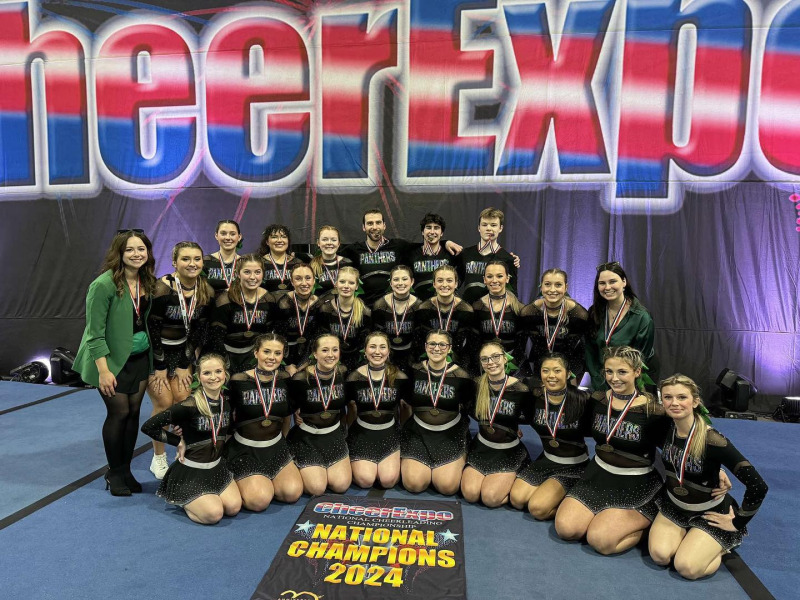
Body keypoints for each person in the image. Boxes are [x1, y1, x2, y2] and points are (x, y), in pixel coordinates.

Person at [649, 374, 768, 579]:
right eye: (668, 397)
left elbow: (758, 485)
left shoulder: (713, 440)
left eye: (682, 397)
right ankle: (694, 540)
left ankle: (724, 544)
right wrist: (717, 470)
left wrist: (737, 522)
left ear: (695, 401)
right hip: (674, 506)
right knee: (660, 556)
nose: (674, 403)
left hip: (709, 513)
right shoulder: (664, 428)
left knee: (686, 568)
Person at [554, 346, 668, 555]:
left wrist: (717, 471)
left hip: (635, 483)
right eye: (609, 371)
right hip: (598, 475)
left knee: (601, 541)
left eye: (622, 372)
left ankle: (647, 525)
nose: (614, 378)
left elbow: (680, 440)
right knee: (566, 529)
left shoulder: (653, 410)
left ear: (637, 372)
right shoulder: (598, 399)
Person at [73, 229, 157, 496]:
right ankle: (114, 472)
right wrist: (103, 371)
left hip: (140, 357)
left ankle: (126, 469)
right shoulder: (103, 285)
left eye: (141, 249)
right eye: (130, 250)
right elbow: (94, 333)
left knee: (133, 415)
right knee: (118, 413)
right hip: (110, 361)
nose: (136, 254)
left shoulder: (147, 281)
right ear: (119, 253)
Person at [140, 353, 242, 524]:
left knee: (233, 508)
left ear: (225, 374)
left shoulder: (226, 404)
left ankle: (203, 499)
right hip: (192, 472)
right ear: (198, 376)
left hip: (216, 468)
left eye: (218, 371)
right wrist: (177, 441)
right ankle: (186, 500)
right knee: (213, 515)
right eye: (207, 373)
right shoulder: (188, 405)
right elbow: (149, 427)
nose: (213, 377)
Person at [147, 241, 215, 479]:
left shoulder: (205, 290)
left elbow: (197, 331)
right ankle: (158, 458)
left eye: (197, 259)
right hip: (157, 353)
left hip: (182, 353)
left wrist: (186, 364)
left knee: (183, 401)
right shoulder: (162, 288)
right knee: (164, 403)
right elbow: (152, 329)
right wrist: (160, 367)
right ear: (174, 262)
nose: (192, 263)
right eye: (186, 259)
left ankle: (183, 451)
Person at [226, 334, 303, 511]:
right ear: (255, 353)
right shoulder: (238, 381)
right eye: (266, 351)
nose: (271, 357)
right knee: (259, 501)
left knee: (292, 493)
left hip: (275, 447)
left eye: (277, 353)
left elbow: (286, 414)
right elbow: (220, 412)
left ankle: (264, 480)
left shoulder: (284, 380)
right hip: (246, 450)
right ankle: (242, 480)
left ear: (283, 356)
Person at [510, 354, 591, 519]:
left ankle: (569, 498)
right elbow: (514, 407)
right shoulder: (534, 398)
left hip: (573, 466)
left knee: (537, 509)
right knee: (517, 500)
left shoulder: (583, 400)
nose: (551, 376)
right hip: (546, 460)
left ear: (568, 374)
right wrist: (513, 426)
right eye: (545, 370)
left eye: (557, 371)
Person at [401, 330, 474, 495]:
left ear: (449, 348)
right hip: (418, 433)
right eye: (432, 344)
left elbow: (469, 408)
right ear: (426, 347)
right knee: (414, 484)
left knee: (447, 487)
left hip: (450, 435)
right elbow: (405, 403)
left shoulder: (462, 376)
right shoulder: (414, 371)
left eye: (442, 344)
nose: (436, 348)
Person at [341, 209, 461, 305]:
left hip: (391, 304)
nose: (374, 227)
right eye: (370, 223)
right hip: (364, 305)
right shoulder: (354, 249)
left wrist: (445, 242)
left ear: (384, 226)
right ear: (363, 227)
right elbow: (333, 249)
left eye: (378, 223)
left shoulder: (398, 246)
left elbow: (426, 244)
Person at [461, 342, 531, 507]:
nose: (490, 362)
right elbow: (469, 409)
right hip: (482, 448)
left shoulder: (520, 389)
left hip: (507, 452)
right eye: (485, 359)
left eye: (495, 357)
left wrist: (511, 427)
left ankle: (513, 480)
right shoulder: (477, 385)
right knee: (470, 494)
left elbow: (530, 417)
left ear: (505, 359)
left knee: (490, 499)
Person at [287, 334, 352, 494]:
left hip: (334, 436)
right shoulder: (300, 379)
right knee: (317, 488)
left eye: (334, 350)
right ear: (315, 354)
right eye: (325, 350)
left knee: (341, 486)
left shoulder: (343, 373)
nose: (330, 354)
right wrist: (297, 412)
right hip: (308, 439)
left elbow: (347, 404)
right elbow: (290, 406)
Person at [345, 332, 408, 489]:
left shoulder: (399, 377)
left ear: (388, 351)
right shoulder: (354, 378)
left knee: (388, 481)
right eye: (372, 347)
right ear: (365, 351)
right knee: (365, 481)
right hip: (362, 435)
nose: (377, 352)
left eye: (382, 347)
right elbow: (351, 408)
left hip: (389, 433)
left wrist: (404, 435)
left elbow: (404, 407)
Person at [585, 262, 657, 391]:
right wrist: (599, 380)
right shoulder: (594, 312)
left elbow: (641, 358)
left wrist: (619, 380)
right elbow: (590, 351)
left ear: (624, 282)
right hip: (602, 380)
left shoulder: (641, 317)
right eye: (602, 283)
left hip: (633, 381)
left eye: (613, 281)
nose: (607, 287)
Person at [207, 254, 276, 374]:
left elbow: (268, 335)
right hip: (226, 354)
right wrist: (225, 364)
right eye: (247, 272)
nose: (253, 277)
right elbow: (216, 338)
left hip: (253, 355)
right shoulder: (224, 300)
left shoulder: (268, 299)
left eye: (257, 272)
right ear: (238, 274)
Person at [521, 269, 589, 382]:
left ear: (566, 287)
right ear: (541, 286)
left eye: (558, 285)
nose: (552, 290)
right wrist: (526, 374)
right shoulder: (529, 312)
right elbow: (520, 346)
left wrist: (573, 374)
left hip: (569, 370)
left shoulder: (579, 315)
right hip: (539, 370)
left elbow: (583, 349)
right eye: (547, 284)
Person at [413, 265, 475, 372]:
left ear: (456, 284)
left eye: (449, 280)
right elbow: (418, 342)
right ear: (434, 284)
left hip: (456, 363)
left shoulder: (466, 310)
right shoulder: (423, 308)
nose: (444, 285)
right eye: (440, 280)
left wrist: (463, 369)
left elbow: (470, 345)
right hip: (429, 360)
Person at [471, 261, 526, 373]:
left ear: (507, 278)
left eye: (499, 276)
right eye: (490, 276)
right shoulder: (476, 307)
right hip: (486, 364)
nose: (494, 280)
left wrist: (511, 366)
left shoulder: (519, 308)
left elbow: (521, 344)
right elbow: (473, 344)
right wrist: (483, 365)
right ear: (484, 279)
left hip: (512, 365)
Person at [456, 207, 519, 303]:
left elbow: (513, 293)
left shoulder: (508, 259)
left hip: (493, 312)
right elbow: (454, 283)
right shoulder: (465, 254)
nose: (488, 228)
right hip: (469, 310)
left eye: (493, 225)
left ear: (500, 228)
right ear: (479, 228)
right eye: (484, 225)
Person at [314, 266, 372, 371]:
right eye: (342, 282)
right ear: (336, 284)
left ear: (357, 286)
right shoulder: (325, 309)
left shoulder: (365, 312)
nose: (346, 286)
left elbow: (364, 344)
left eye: (351, 283)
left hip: (355, 361)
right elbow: (320, 340)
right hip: (329, 359)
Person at [371, 265, 420, 372]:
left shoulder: (419, 306)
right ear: (391, 283)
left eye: (404, 279)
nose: (400, 283)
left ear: (412, 281)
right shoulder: (379, 305)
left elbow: (419, 338)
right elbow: (377, 335)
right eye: (396, 279)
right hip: (386, 356)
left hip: (411, 355)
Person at [274, 263, 320, 374]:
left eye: (308, 278)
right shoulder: (284, 304)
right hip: (286, 355)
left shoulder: (319, 304)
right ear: (292, 282)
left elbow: (316, 336)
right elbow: (280, 338)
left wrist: (307, 362)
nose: (304, 283)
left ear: (314, 280)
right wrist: (287, 365)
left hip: (309, 354)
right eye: (298, 279)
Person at [408, 213, 455, 300]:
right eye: (428, 227)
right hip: (419, 305)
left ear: (441, 233)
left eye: (436, 228)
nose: (432, 232)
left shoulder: (451, 253)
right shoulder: (411, 254)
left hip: (444, 303)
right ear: (422, 232)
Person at [309, 225, 353, 301]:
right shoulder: (312, 266)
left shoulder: (348, 263)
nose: (329, 243)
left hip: (343, 308)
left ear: (339, 243)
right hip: (320, 309)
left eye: (333, 240)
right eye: (325, 239)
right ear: (318, 243)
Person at [203, 220, 243, 298]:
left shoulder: (245, 263)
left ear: (239, 237)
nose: (228, 238)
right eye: (223, 233)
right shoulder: (205, 262)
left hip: (240, 308)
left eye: (232, 234)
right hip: (212, 308)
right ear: (216, 236)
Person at [258, 224, 301, 296]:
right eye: (274, 237)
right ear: (267, 242)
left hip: (293, 305)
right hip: (267, 305)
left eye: (283, 237)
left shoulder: (298, 263)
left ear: (288, 241)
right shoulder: (259, 263)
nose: (279, 240)